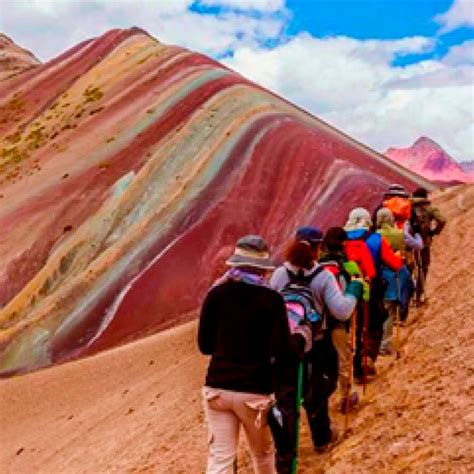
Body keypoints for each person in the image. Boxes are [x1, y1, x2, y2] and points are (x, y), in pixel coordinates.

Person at [269, 226, 363, 468]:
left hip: (285, 346)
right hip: (317, 343)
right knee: (320, 388)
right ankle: (321, 438)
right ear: (318, 248)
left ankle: (285, 454)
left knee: (287, 398)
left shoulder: (279, 275)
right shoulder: (322, 276)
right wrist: (353, 292)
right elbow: (341, 310)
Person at [198, 235, 291, 474]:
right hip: (255, 391)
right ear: (263, 268)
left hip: (217, 388)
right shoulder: (272, 299)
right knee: (261, 454)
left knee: (220, 458)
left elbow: (205, 346)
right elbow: (282, 350)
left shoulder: (216, 294)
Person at [344, 208, 403, 378]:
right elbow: (395, 264)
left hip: (346, 289)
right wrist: (400, 258)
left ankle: (354, 364)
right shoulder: (376, 239)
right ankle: (366, 357)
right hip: (371, 288)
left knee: (353, 327)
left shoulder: (341, 239)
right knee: (374, 324)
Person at [319, 227, 361, 413]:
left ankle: (319, 400)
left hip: (318, 323)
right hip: (338, 322)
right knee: (343, 359)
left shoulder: (315, 265)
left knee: (321, 362)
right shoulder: (346, 266)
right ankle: (345, 397)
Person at [375, 208, 421, 354]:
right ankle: (385, 343)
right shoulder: (400, 234)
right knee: (393, 307)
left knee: (383, 309)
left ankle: (380, 343)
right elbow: (418, 245)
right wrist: (419, 236)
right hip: (397, 273)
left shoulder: (375, 236)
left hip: (379, 275)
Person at [410, 187, 446, 303]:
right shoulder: (430, 208)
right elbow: (442, 220)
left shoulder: (407, 207)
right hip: (424, 241)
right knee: (423, 267)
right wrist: (434, 232)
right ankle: (419, 294)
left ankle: (408, 295)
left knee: (410, 268)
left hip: (408, 242)